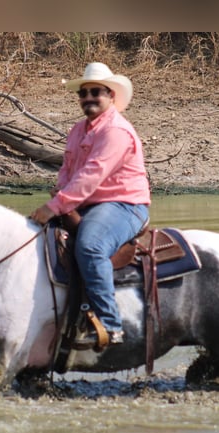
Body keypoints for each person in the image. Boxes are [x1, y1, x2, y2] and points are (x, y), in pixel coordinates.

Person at [30, 62, 151, 348]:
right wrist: (59, 191)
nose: (88, 98)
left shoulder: (116, 131)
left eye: (95, 92)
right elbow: (68, 170)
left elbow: (90, 176)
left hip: (123, 204)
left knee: (90, 246)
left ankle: (111, 325)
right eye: (83, 94)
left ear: (110, 95)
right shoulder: (77, 130)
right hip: (88, 204)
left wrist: (54, 207)